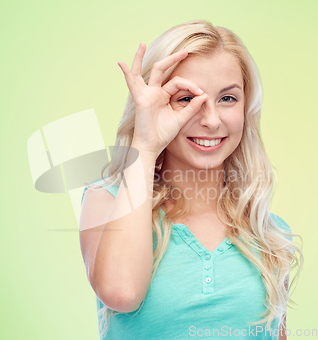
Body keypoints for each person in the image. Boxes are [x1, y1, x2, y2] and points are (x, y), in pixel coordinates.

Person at [79, 19, 303, 340]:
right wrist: (145, 144)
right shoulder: (106, 201)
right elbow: (121, 293)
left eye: (227, 98)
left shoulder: (268, 233)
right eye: (186, 99)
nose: (210, 120)